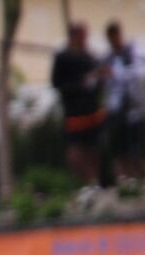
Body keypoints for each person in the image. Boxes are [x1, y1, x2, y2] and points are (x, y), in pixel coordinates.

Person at [52, 22, 106, 186]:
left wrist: (98, 79)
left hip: (91, 110)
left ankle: (94, 182)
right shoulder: (63, 58)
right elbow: (57, 83)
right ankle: (81, 182)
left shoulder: (90, 57)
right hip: (73, 111)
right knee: (76, 151)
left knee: (93, 148)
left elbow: (97, 83)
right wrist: (80, 85)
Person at [104, 21, 145, 181]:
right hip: (116, 110)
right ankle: (123, 182)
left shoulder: (131, 53)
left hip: (134, 109)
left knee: (135, 151)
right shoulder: (107, 58)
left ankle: (141, 180)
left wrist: (117, 73)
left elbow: (137, 74)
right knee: (119, 151)